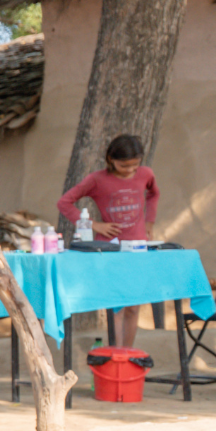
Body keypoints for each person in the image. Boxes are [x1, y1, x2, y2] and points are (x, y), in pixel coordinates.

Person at [58, 134, 159, 346]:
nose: (130, 170)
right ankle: (116, 352)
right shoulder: (97, 179)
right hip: (110, 250)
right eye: (124, 165)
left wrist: (149, 221)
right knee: (116, 305)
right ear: (110, 159)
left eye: (135, 165)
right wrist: (93, 225)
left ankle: (128, 353)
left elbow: (153, 194)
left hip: (137, 248)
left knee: (134, 305)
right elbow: (65, 202)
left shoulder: (145, 174)